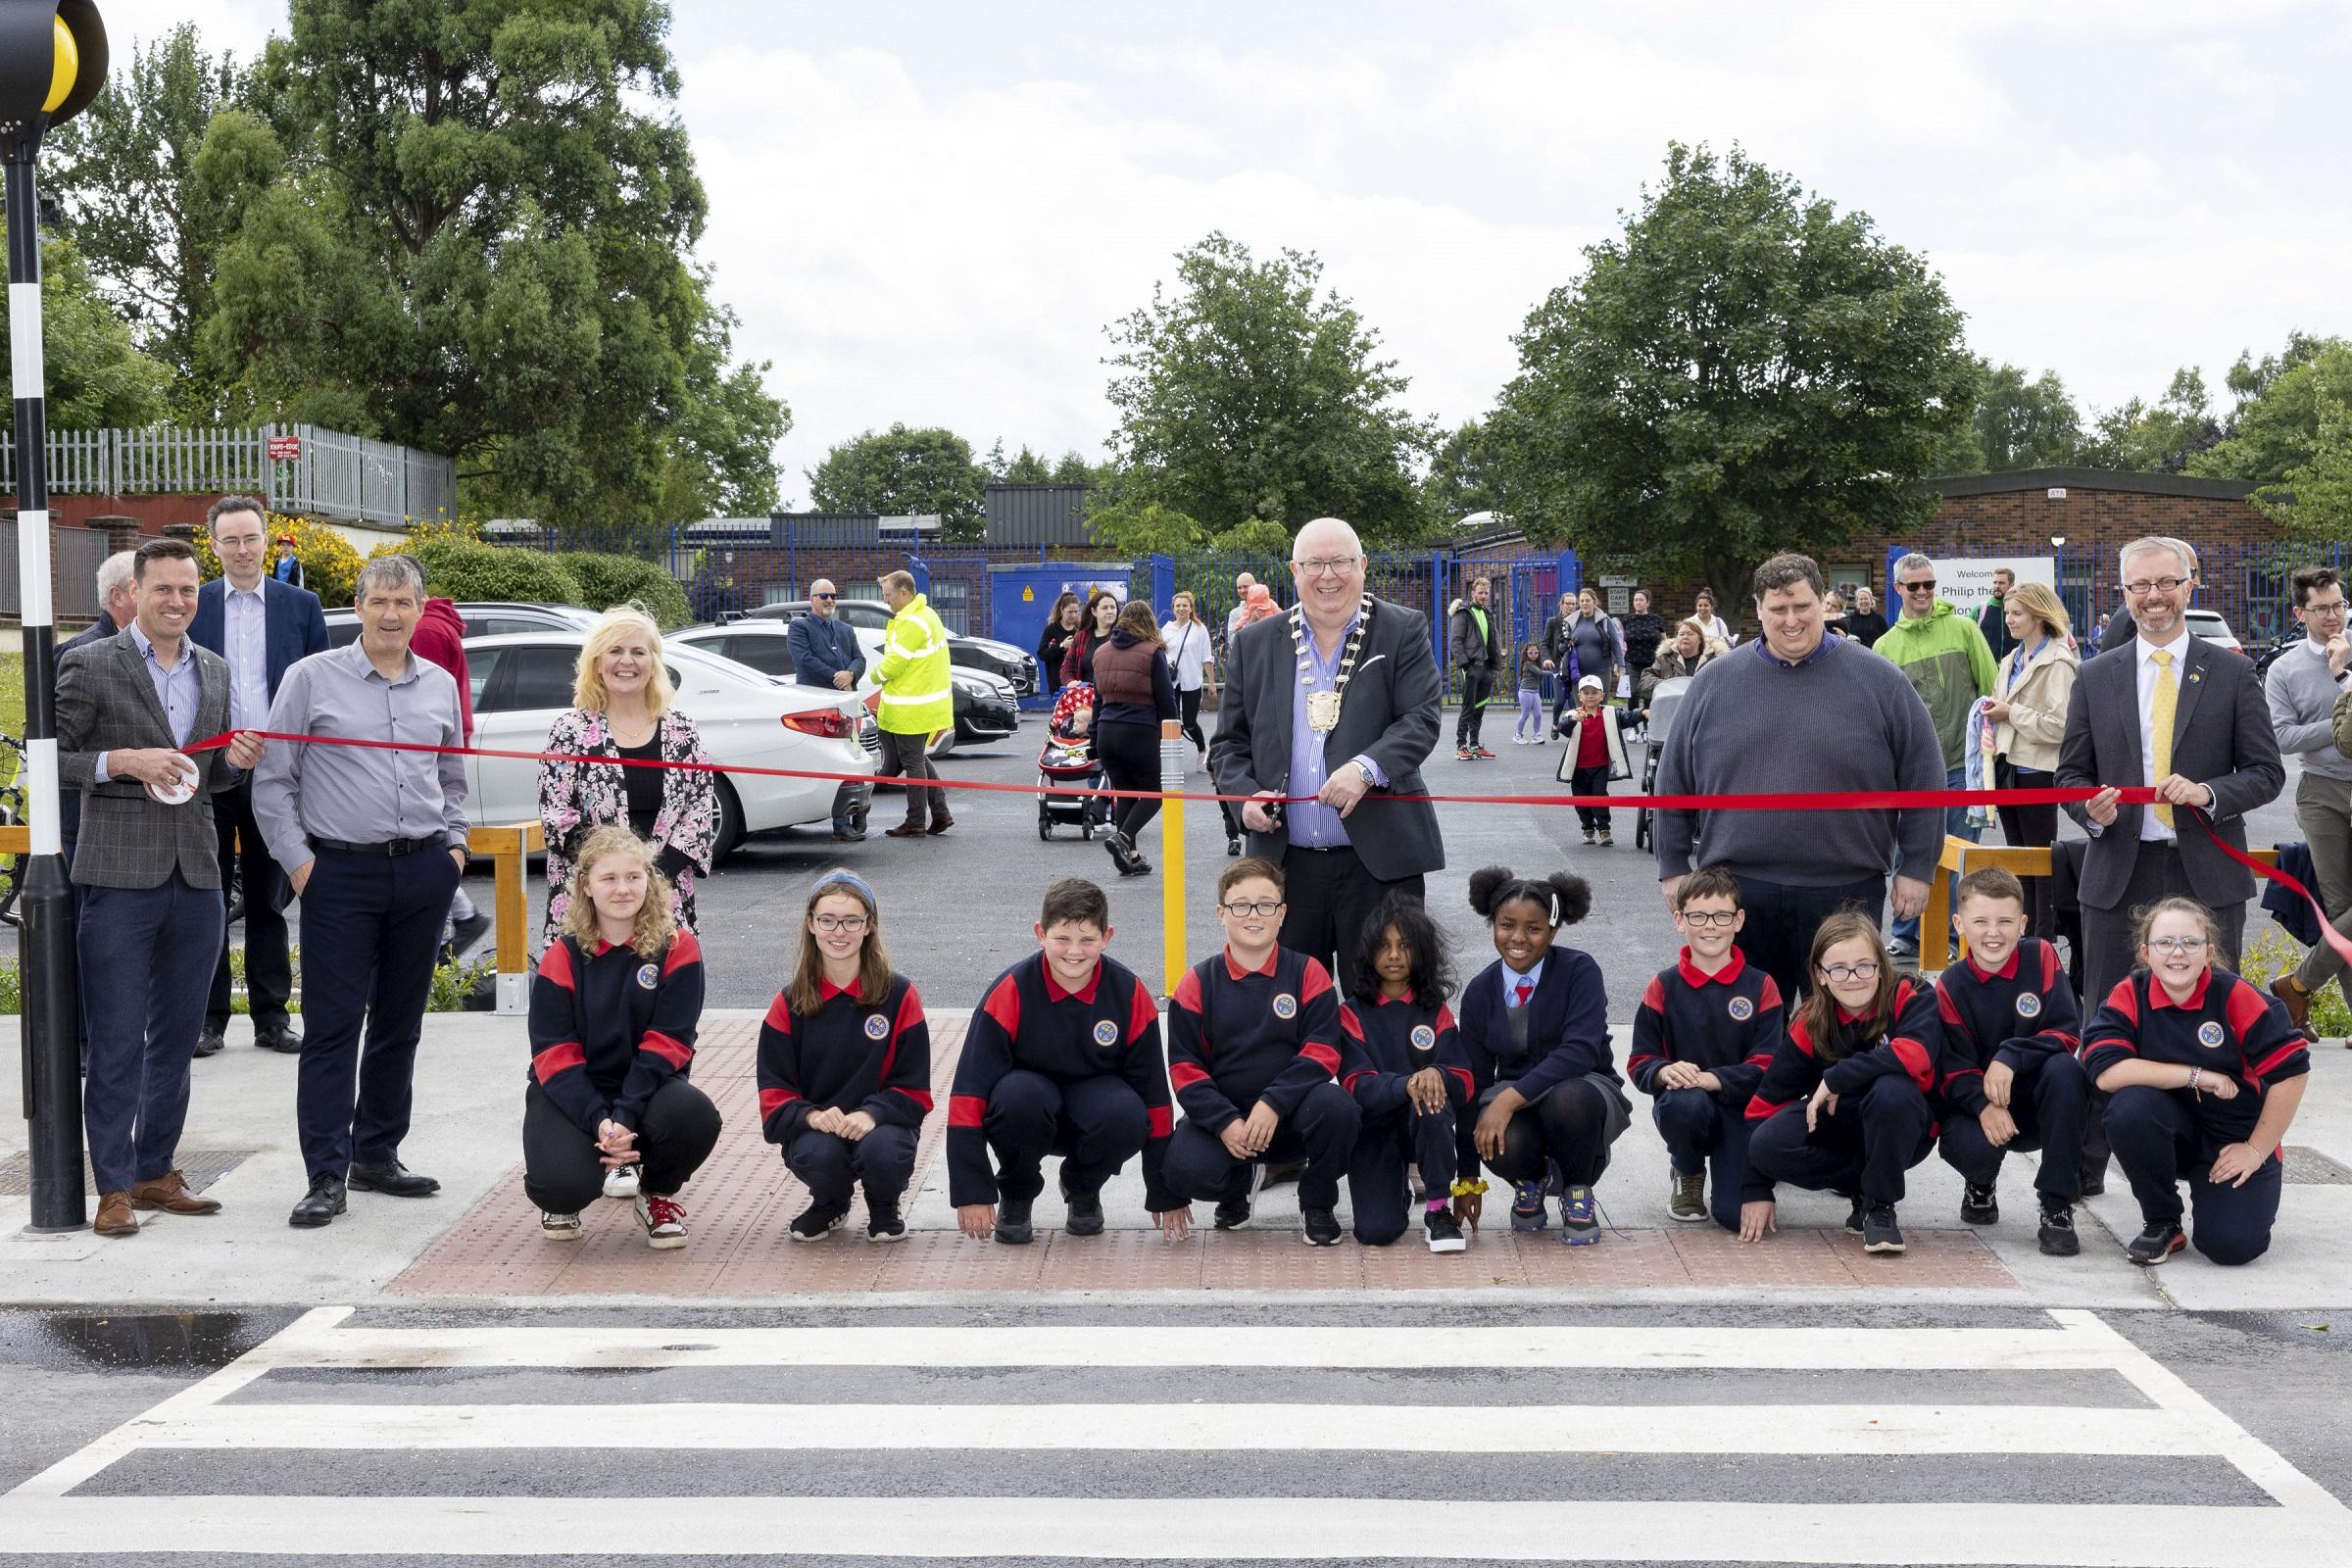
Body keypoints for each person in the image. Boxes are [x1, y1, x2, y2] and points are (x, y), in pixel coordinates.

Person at [254, 554, 470, 1230]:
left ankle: (376, 1153)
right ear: (359, 604)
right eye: (379, 601)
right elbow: (273, 782)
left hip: (423, 872)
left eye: (403, 602)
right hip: (337, 875)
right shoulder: (309, 679)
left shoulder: (437, 684)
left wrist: (455, 850)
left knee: (400, 1023)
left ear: (419, 608)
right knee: (332, 1028)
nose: (390, 614)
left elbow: (454, 776)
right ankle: (326, 1171)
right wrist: (299, 865)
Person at [57, 538, 265, 1237]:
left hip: (197, 876)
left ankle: (154, 1170)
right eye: (163, 590)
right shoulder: (88, 663)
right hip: (118, 877)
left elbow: (213, 779)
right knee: (116, 1040)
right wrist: (123, 760)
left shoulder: (215, 669)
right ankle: (112, 1186)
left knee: (176, 1040)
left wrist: (235, 762)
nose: (177, 602)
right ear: (134, 593)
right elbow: (53, 759)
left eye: (187, 590)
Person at [1652, 554, 1944, 1003]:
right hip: (1736, 892)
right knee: (1744, 1030)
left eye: (1802, 607)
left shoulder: (1880, 680)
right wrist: (1672, 865)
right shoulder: (1714, 682)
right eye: (1778, 609)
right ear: (1758, 610)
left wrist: (1919, 867)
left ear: (1822, 605)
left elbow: (1924, 774)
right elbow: (1673, 779)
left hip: (1845, 890)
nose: (1791, 621)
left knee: (1842, 1029)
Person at [2056, 535, 2283, 1028]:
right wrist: (2089, 811)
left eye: (2166, 582)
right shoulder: (2093, 676)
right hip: (2119, 871)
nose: (2154, 594)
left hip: (2207, 871)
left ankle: (2215, 1102)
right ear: (2124, 592)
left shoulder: (2233, 671)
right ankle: (2104, 1106)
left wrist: (2209, 794)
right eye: (2141, 584)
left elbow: (2267, 773)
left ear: (2190, 586)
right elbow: (2071, 776)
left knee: (2215, 1022)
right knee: (2109, 1020)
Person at [1211, 516, 1444, 998]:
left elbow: (1420, 719)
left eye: (1340, 561)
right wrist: (1243, 798)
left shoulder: (1402, 629)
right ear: (1294, 570)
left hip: (1378, 866)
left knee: (1385, 1004)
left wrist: (1366, 769)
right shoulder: (1254, 643)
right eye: (1315, 563)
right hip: (1284, 868)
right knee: (1284, 1006)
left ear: (1362, 565)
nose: (1328, 575)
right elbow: (1228, 746)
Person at [948, 877, 1180, 1245]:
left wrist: (1165, 1190)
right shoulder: (1010, 990)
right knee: (1018, 1096)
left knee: (1128, 1115)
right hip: (1026, 1112)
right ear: (1040, 933)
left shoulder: (1129, 993)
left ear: (1107, 937)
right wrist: (971, 1189)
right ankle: (1018, 1193)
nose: (1075, 951)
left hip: (1095, 1109)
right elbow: (968, 1095)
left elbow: (1155, 1097)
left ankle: (1082, 1186)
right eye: (1062, 938)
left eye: (1088, 939)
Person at [2082, 897, 2308, 1266]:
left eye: (2191, 943)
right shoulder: (2130, 994)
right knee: (2129, 1109)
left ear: (2209, 952)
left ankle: (2225, 1197)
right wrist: (2197, 1076)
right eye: (2164, 942)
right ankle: (2162, 1221)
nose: (2178, 953)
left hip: (2234, 1138)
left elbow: (2293, 1073)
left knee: (2231, 1247)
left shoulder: (2235, 995)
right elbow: (2107, 1072)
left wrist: (2255, 1150)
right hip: (2170, 1132)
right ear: (2145, 952)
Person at [524, 827, 719, 1249]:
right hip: (573, 1091)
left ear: (650, 882)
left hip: (647, 1090)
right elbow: (554, 1054)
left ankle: (656, 1194)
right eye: (608, 879)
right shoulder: (563, 955)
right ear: (586, 886)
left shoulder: (677, 947)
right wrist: (600, 1120)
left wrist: (626, 1118)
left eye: (633, 877)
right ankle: (562, 1199)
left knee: (695, 1116)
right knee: (561, 1183)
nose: (622, 889)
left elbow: (669, 1043)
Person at [189, 496, 329, 1059]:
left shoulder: (301, 606)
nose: (242, 550)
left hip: (277, 772)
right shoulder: (193, 606)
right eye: (231, 540)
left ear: (267, 541)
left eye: (251, 538)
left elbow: (322, 690)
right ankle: (209, 1020)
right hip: (212, 769)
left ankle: (273, 1019)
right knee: (209, 896)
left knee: (271, 902)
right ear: (215, 546)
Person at [1162, 858, 1358, 1245]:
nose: (1254, 915)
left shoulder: (1308, 973)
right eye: (1240, 905)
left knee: (1340, 1110)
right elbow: (1185, 1069)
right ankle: (1238, 1186)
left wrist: (1273, 1103)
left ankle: (1317, 1202)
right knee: (1184, 1168)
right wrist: (1223, 1123)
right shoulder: (1197, 982)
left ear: (1282, 913)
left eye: (1266, 905)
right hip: (1230, 1123)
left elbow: (1322, 1053)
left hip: (1291, 1117)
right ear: (1222, 913)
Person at [1744, 912, 1940, 1256]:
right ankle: (1861, 1186)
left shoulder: (1910, 993)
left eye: (1864, 966)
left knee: (1891, 1090)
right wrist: (1756, 1187)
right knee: (1766, 1144)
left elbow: (1917, 1054)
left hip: (1905, 1127)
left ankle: (1880, 1207)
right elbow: (1762, 1107)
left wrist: (1837, 1076)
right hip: (1845, 1128)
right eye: (1838, 969)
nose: (1853, 978)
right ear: (1820, 975)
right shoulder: (1811, 1021)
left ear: (1881, 965)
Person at [758, 868, 931, 1244]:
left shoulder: (899, 995)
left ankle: (884, 1204)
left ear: (869, 926)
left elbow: (915, 1088)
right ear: (811, 924)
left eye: (852, 921)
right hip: (820, 1129)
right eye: (828, 920)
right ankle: (831, 1202)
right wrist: (812, 1116)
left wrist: (873, 1113)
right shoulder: (788, 1003)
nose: (840, 932)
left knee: (885, 1152)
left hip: (882, 1126)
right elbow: (774, 1095)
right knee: (817, 1155)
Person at [1457, 865, 1627, 1243]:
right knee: (1497, 1138)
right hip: (1514, 1092)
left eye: (1533, 929)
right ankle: (1529, 1182)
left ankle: (1577, 1190)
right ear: (1493, 924)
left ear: (1553, 931)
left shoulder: (1579, 970)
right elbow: (1474, 1081)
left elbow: (1580, 1051)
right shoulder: (1481, 990)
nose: (1518, 938)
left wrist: (1507, 1101)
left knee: (1569, 1099)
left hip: (1582, 1087)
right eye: (1506, 925)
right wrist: (1467, 1177)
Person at [536, 606, 720, 942]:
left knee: (665, 988)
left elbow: (699, 813)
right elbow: (558, 818)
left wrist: (649, 878)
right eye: (616, 651)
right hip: (590, 901)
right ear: (596, 662)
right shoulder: (570, 731)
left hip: (665, 897)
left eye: (639, 652)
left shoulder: (683, 730)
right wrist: (614, 877)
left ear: (653, 664)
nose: (627, 661)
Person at [1933, 867, 2088, 1256]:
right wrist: (1984, 1105)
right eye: (1980, 921)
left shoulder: (2041, 956)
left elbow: (2067, 1032)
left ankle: (2057, 1203)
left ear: (2022, 923)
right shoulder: (1950, 985)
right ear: (1959, 923)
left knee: (2068, 1071)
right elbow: (1952, 1068)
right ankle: (1980, 1182)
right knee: (1972, 1148)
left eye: (2005, 921)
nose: (1993, 933)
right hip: (1978, 1106)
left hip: (2035, 1101)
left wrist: (2010, 1055)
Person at [1627, 867, 1782, 1239]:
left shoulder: (1762, 985)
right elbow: (1639, 1060)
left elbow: (1771, 1066)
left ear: (1738, 920)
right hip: (1686, 1106)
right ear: (1680, 921)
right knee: (1688, 1102)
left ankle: (1746, 1170)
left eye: (1722, 916)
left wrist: (1715, 1079)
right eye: (1698, 916)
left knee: (1732, 1217)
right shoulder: (1663, 986)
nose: (1710, 926)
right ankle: (1688, 1169)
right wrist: (1664, 1072)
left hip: (1744, 1113)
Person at [1876, 552, 2000, 960]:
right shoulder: (1885, 646)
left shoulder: (1964, 629)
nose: (1923, 592)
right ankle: (1908, 933)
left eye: (1929, 584)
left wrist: (1987, 759)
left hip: (1962, 766)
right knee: (1908, 852)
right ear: (1899, 590)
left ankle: (1951, 934)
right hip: (1909, 773)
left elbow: (1990, 691)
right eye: (1914, 586)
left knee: (1961, 853)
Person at [1339, 891, 1472, 1251]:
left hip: (1423, 1123)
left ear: (1422, 952)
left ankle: (1437, 1210)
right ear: (1368, 952)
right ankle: (1396, 1189)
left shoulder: (1435, 1010)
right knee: (1375, 1233)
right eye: (1384, 945)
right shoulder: (1352, 1013)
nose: (1394, 955)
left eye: (1405, 945)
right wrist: (1408, 1083)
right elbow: (1356, 1085)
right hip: (1375, 1129)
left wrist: (1438, 1075)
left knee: (1431, 1101)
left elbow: (1464, 1079)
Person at [2265, 566, 2352, 1035]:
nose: (2334, 616)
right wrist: (2339, 733)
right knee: (2339, 910)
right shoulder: (2284, 669)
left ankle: (2296, 986)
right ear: (2300, 614)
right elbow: (2282, 737)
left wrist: (2344, 677)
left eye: (2339, 605)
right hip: (2321, 791)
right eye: (2321, 609)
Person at [1982, 581, 2079, 941]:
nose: (2009, 620)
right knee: (2020, 861)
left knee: (2040, 861)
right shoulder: (2011, 659)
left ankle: (2043, 937)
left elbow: (2063, 727)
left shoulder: (2059, 663)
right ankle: (2025, 934)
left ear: (2038, 615)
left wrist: (2011, 713)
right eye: (2007, 613)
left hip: (2039, 773)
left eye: (2016, 613)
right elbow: (2002, 707)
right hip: (2009, 768)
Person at [407, 578, 489, 951]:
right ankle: (460, 916)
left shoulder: (425, 630)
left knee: (425, 843)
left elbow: (421, 698)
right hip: (440, 746)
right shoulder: (438, 624)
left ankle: (447, 928)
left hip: (427, 751)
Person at [1090, 600, 1180, 878]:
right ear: (1149, 623)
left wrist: (1093, 741)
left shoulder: (1101, 652)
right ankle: (1124, 837)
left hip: (1107, 731)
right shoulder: (1152, 653)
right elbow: (1166, 701)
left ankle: (1131, 856)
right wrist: (1174, 737)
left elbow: (1096, 700)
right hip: (1139, 731)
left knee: (1126, 791)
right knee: (1155, 793)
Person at [787, 579, 869, 842]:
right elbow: (805, 659)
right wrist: (836, 676)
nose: (830, 600)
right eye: (824, 596)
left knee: (855, 758)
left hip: (847, 704)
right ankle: (840, 823)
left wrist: (850, 674)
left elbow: (860, 658)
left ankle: (858, 816)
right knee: (831, 763)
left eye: (833, 596)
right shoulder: (799, 627)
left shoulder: (845, 629)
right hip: (818, 705)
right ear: (812, 599)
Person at [874, 569, 954, 839]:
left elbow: (895, 664)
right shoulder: (925, 614)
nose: (886, 601)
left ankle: (915, 821)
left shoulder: (911, 622)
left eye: (888, 595)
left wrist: (874, 675)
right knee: (917, 758)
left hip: (911, 705)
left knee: (913, 761)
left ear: (904, 593)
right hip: (923, 702)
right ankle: (940, 813)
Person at [1557, 674, 1629, 847]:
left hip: (1600, 766)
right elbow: (1563, 728)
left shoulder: (1609, 713)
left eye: (1594, 692)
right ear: (1579, 696)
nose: (1590, 696)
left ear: (1602, 695)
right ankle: (1587, 827)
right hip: (1579, 768)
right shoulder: (1574, 714)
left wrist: (1642, 713)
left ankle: (1604, 829)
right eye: (1586, 693)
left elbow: (1628, 718)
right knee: (1580, 799)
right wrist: (1572, 720)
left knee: (1599, 797)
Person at [1549, 587, 1623, 732]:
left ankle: (1600, 735)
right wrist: (1565, 645)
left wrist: (1621, 664)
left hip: (1601, 669)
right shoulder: (1571, 621)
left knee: (1601, 705)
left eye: (1587, 600)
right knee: (1581, 706)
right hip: (1578, 671)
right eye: (1581, 601)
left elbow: (1615, 643)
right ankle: (1583, 736)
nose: (1584, 603)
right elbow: (1561, 647)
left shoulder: (1604, 620)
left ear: (1594, 602)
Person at [1449, 575, 1503, 760]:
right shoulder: (1463, 612)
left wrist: (1495, 663)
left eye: (1486, 593)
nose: (1484, 596)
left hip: (1486, 667)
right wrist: (1465, 664)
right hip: (1471, 666)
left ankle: (1474, 744)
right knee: (1468, 707)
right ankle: (1461, 745)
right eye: (1480, 592)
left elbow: (1493, 639)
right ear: (1472, 593)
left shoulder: (1488, 613)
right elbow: (1456, 641)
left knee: (1479, 708)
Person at [1161, 591, 1215, 760]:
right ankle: (1173, 758)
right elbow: (1160, 655)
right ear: (1173, 608)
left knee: (1190, 722)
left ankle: (1202, 750)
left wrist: (1212, 683)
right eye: (1178, 606)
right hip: (1171, 683)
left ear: (1191, 608)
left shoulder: (1199, 629)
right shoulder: (1166, 629)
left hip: (1192, 681)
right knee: (1172, 721)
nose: (1181, 609)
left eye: (1185, 605)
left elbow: (1207, 658)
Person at [1636, 618, 1715, 709]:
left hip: (1705, 709)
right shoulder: (1665, 658)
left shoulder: (1713, 660)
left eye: (1690, 634)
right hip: (1672, 710)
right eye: (1681, 634)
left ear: (1700, 639)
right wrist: (1667, 686)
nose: (1685, 637)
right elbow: (1645, 681)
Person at [1059, 588, 1120, 689]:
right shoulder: (1080, 638)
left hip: (1114, 698)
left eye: (1113, 607)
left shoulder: (1124, 637)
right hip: (1085, 698)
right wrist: (1070, 682)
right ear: (1094, 611)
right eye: (1105, 608)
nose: (1110, 611)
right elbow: (1067, 667)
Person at [1036, 591, 1083, 696]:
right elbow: (1042, 654)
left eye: (1076, 611)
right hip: (1057, 685)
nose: (1073, 615)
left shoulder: (1081, 630)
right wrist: (1061, 646)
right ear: (1062, 610)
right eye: (1070, 612)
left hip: (1078, 683)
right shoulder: (1051, 629)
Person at [1621, 589, 1667, 693]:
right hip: (1631, 662)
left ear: (1648, 603)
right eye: (1635, 600)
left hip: (1652, 662)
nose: (1638, 602)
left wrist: (1666, 658)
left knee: (1649, 693)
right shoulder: (1627, 620)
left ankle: (1649, 710)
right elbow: (1620, 642)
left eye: (1641, 600)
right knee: (1632, 693)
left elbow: (1665, 641)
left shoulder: (1656, 619)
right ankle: (1632, 710)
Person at [1979, 567, 2020, 662]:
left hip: (2015, 669)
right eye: (1995, 582)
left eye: (2001, 583)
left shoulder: (2022, 610)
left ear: (2012, 585)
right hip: (1988, 670)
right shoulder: (1979, 610)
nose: (1997, 586)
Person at [1512, 640, 1547, 745]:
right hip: (1525, 692)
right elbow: (1540, 673)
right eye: (1530, 653)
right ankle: (1518, 735)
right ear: (1526, 653)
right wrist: (1553, 674)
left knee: (1538, 714)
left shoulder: (1537, 663)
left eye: (1536, 653)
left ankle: (1536, 736)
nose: (1533, 655)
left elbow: (1541, 670)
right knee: (1525, 714)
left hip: (1535, 692)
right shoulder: (1527, 664)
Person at [1226, 570, 1257, 641]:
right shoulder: (1234, 613)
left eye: (1246, 586)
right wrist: (1250, 622)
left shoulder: (1266, 607)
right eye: (1239, 588)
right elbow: (1232, 641)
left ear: (1255, 586)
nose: (1242, 590)